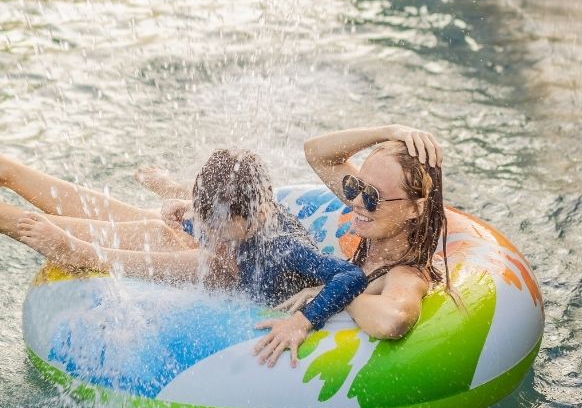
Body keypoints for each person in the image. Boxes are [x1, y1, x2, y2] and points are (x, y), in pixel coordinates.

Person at [0, 149, 367, 367]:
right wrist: (190, 219)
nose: (207, 229)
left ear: (251, 216)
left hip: (234, 276)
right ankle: (11, 172)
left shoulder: (282, 247)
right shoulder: (242, 222)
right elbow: (221, 232)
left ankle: (72, 246)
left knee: (162, 236)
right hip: (230, 265)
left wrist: (303, 321)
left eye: (215, 225)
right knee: (160, 226)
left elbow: (351, 276)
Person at [285, 124, 448, 340]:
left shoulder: (403, 274)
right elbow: (316, 153)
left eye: (373, 196)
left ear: (414, 208)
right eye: (356, 186)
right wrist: (389, 132)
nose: (356, 201)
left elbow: (393, 319)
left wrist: (337, 294)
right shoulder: (377, 213)